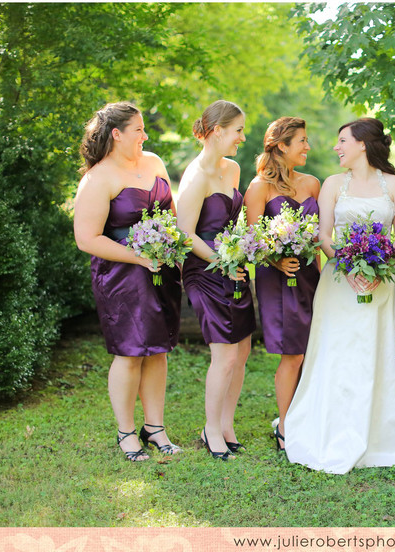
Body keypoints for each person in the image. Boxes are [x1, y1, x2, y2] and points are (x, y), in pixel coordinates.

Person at [284, 118, 395, 474]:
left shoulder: (393, 185)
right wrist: (348, 263)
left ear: (362, 144)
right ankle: (334, 430)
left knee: (381, 352)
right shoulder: (332, 184)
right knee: (340, 354)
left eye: (343, 141)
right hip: (340, 284)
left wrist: (383, 259)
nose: (336, 147)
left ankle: (388, 433)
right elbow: (324, 235)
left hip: (385, 282)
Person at [74, 101, 182, 461]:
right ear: (117, 134)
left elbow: (172, 213)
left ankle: (155, 427)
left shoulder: (153, 162)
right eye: (138, 129)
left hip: (161, 269)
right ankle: (126, 433)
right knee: (130, 352)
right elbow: (87, 238)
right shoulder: (98, 177)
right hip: (121, 275)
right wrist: (139, 256)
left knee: (158, 349)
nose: (145, 136)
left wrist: (169, 246)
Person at [177, 100, 253, 461]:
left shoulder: (234, 169)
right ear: (218, 130)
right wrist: (222, 260)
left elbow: (232, 223)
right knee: (224, 353)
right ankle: (210, 430)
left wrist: (238, 253)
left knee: (241, 350)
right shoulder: (195, 177)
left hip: (231, 265)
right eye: (238, 129)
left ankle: (226, 424)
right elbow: (185, 234)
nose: (242, 136)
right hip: (203, 271)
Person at [243, 117, 321, 452]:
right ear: (281, 146)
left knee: (311, 351)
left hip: (310, 277)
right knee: (292, 353)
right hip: (278, 280)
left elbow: (319, 238)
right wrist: (276, 259)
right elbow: (251, 239)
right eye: (301, 140)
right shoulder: (259, 187)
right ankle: (286, 427)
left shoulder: (314, 184)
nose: (307, 146)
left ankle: (305, 415)